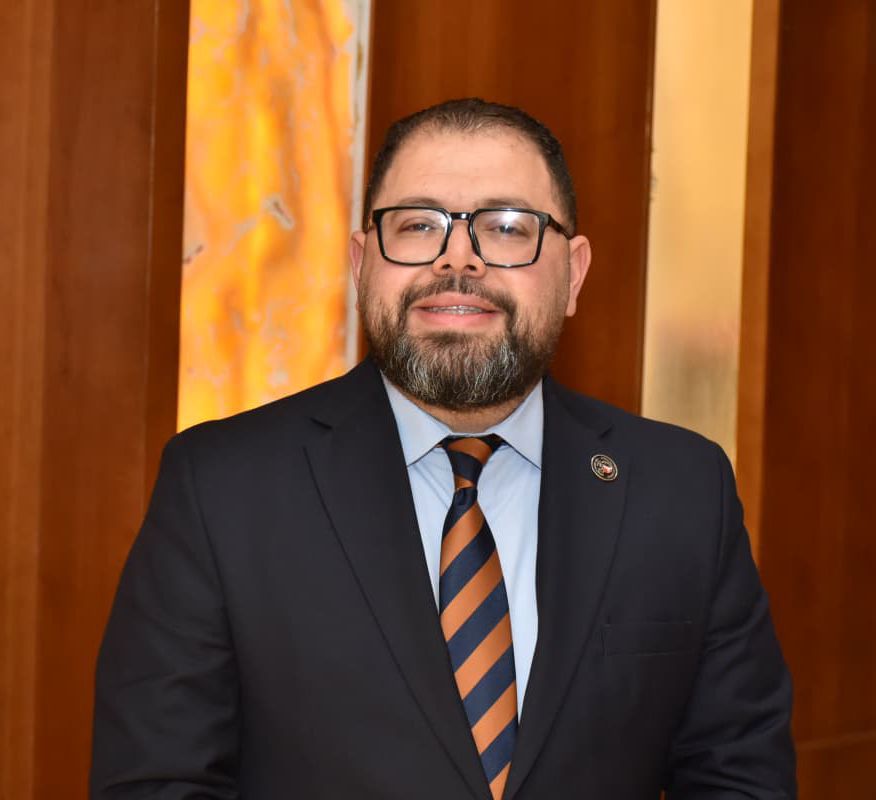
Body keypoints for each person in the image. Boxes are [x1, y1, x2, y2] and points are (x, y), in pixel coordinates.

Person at [91, 98, 796, 799]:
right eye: (418, 225)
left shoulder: (682, 489)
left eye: (507, 227)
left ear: (574, 274)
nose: (458, 258)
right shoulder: (221, 489)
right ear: (362, 265)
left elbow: (739, 775)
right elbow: (158, 784)